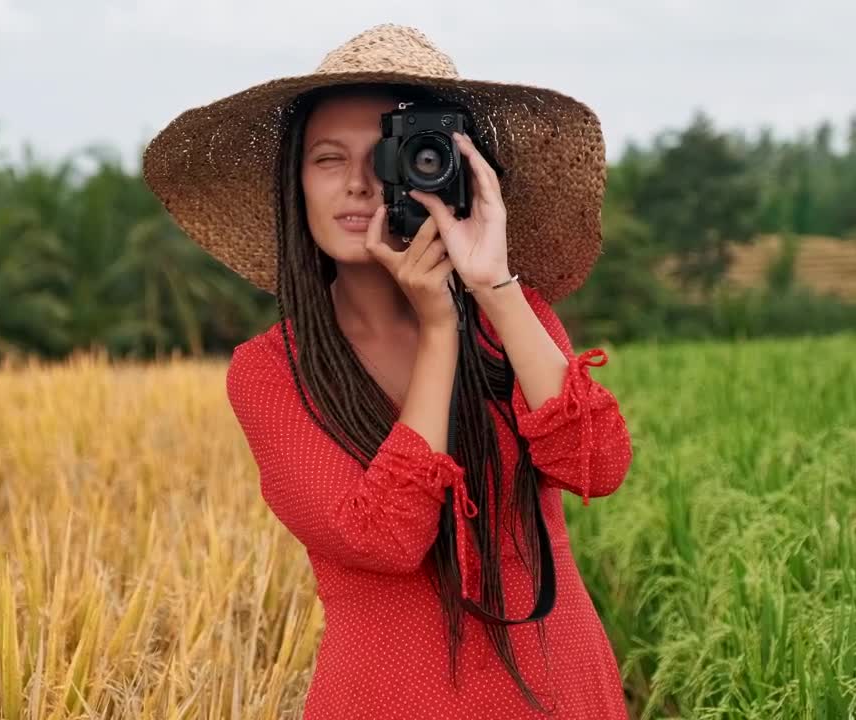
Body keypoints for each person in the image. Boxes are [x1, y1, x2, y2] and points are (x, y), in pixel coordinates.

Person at [143, 23, 634, 720]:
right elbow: (387, 538)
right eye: (327, 159)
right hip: (389, 698)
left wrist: (494, 285)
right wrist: (439, 331)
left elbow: (597, 466)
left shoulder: (513, 319)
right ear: (296, 184)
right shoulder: (271, 371)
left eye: (392, 156)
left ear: (457, 173)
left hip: (557, 688)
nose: (357, 184)